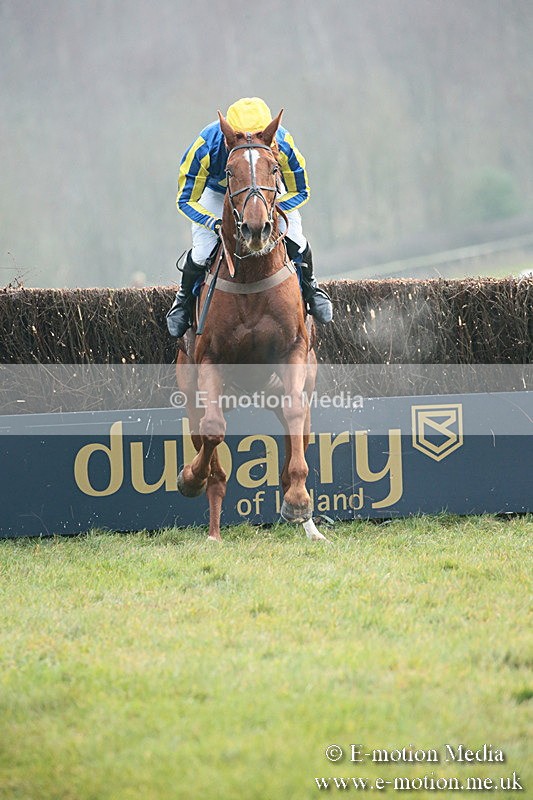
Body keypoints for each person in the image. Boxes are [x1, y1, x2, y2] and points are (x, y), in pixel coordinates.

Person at [167, 97, 333, 338]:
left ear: (269, 134)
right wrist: (212, 223)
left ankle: (312, 289)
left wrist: (273, 210)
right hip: (217, 194)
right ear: (228, 137)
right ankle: (182, 302)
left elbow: (301, 190)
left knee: (297, 239)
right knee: (203, 251)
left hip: (269, 194)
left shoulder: (282, 142)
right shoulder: (206, 145)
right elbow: (186, 199)